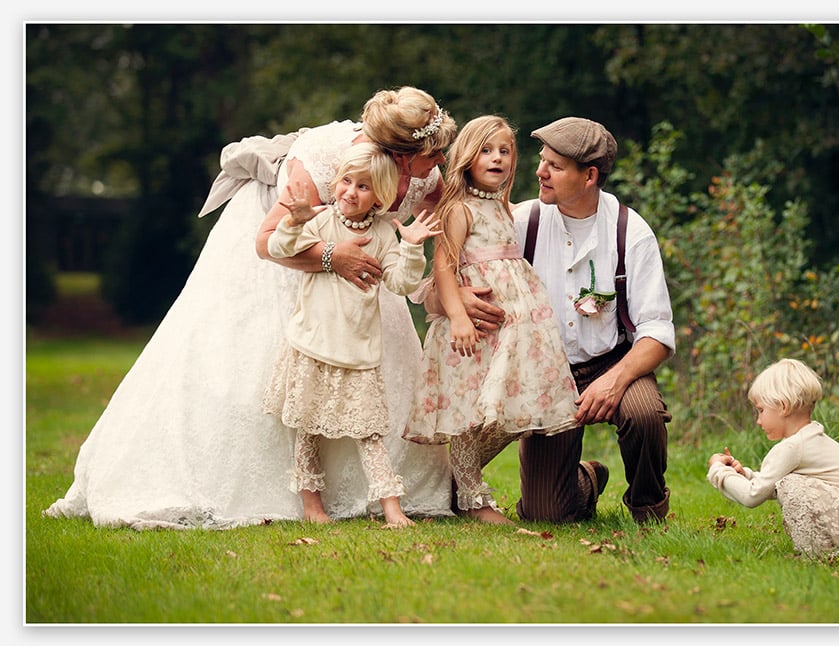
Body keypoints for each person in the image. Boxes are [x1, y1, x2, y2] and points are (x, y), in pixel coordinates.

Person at [44, 87, 457, 529]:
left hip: (362, 284)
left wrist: (449, 289)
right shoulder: (325, 162)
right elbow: (267, 242)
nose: (439, 165)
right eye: (433, 156)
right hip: (286, 253)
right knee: (258, 367)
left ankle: (381, 493)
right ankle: (285, 492)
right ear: (400, 156)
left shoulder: (424, 175)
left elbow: (451, 222)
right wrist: (332, 256)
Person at [429, 116, 676, 524]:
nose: (539, 171)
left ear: (589, 176)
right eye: (542, 161)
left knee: (644, 413)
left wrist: (612, 382)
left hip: (613, 362)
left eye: (555, 166)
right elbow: (453, 274)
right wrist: (457, 305)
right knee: (546, 513)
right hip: (546, 372)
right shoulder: (521, 220)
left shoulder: (630, 232)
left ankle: (647, 508)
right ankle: (586, 479)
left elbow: (657, 333)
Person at [403, 115, 579, 524]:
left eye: (504, 151)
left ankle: (453, 483)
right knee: (465, 413)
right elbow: (444, 266)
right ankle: (473, 499)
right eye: (486, 150)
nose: (497, 158)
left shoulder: (501, 207)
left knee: (512, 406)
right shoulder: (459, 209)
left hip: (512, 329)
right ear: (466, 157)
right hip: (474, 331)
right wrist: (459, 317)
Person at [264, 143, 441, 528]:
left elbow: (399, 282)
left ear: (379, 196)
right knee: (308, 427)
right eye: (347, 181)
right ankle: (312, 507)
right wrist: (294, 220)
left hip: (358, 350)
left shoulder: (382, 234)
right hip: (312, 342)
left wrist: (411, 248)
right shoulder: (320, 219)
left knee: (370, 432)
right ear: (336, 181)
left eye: (363, 187)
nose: (350, 192)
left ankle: (392, 507)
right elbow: (279, 247)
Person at [706, 358, 839, 558]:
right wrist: (744, 474)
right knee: (789, 483)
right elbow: (770, 485)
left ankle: (816, 553)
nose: (758, 420)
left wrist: (718, 471)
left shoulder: (793, 447)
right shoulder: (809, 438)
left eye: (761, 410)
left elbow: (752, 496)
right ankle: (826, 551)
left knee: (791, 485)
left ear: (784, 407)